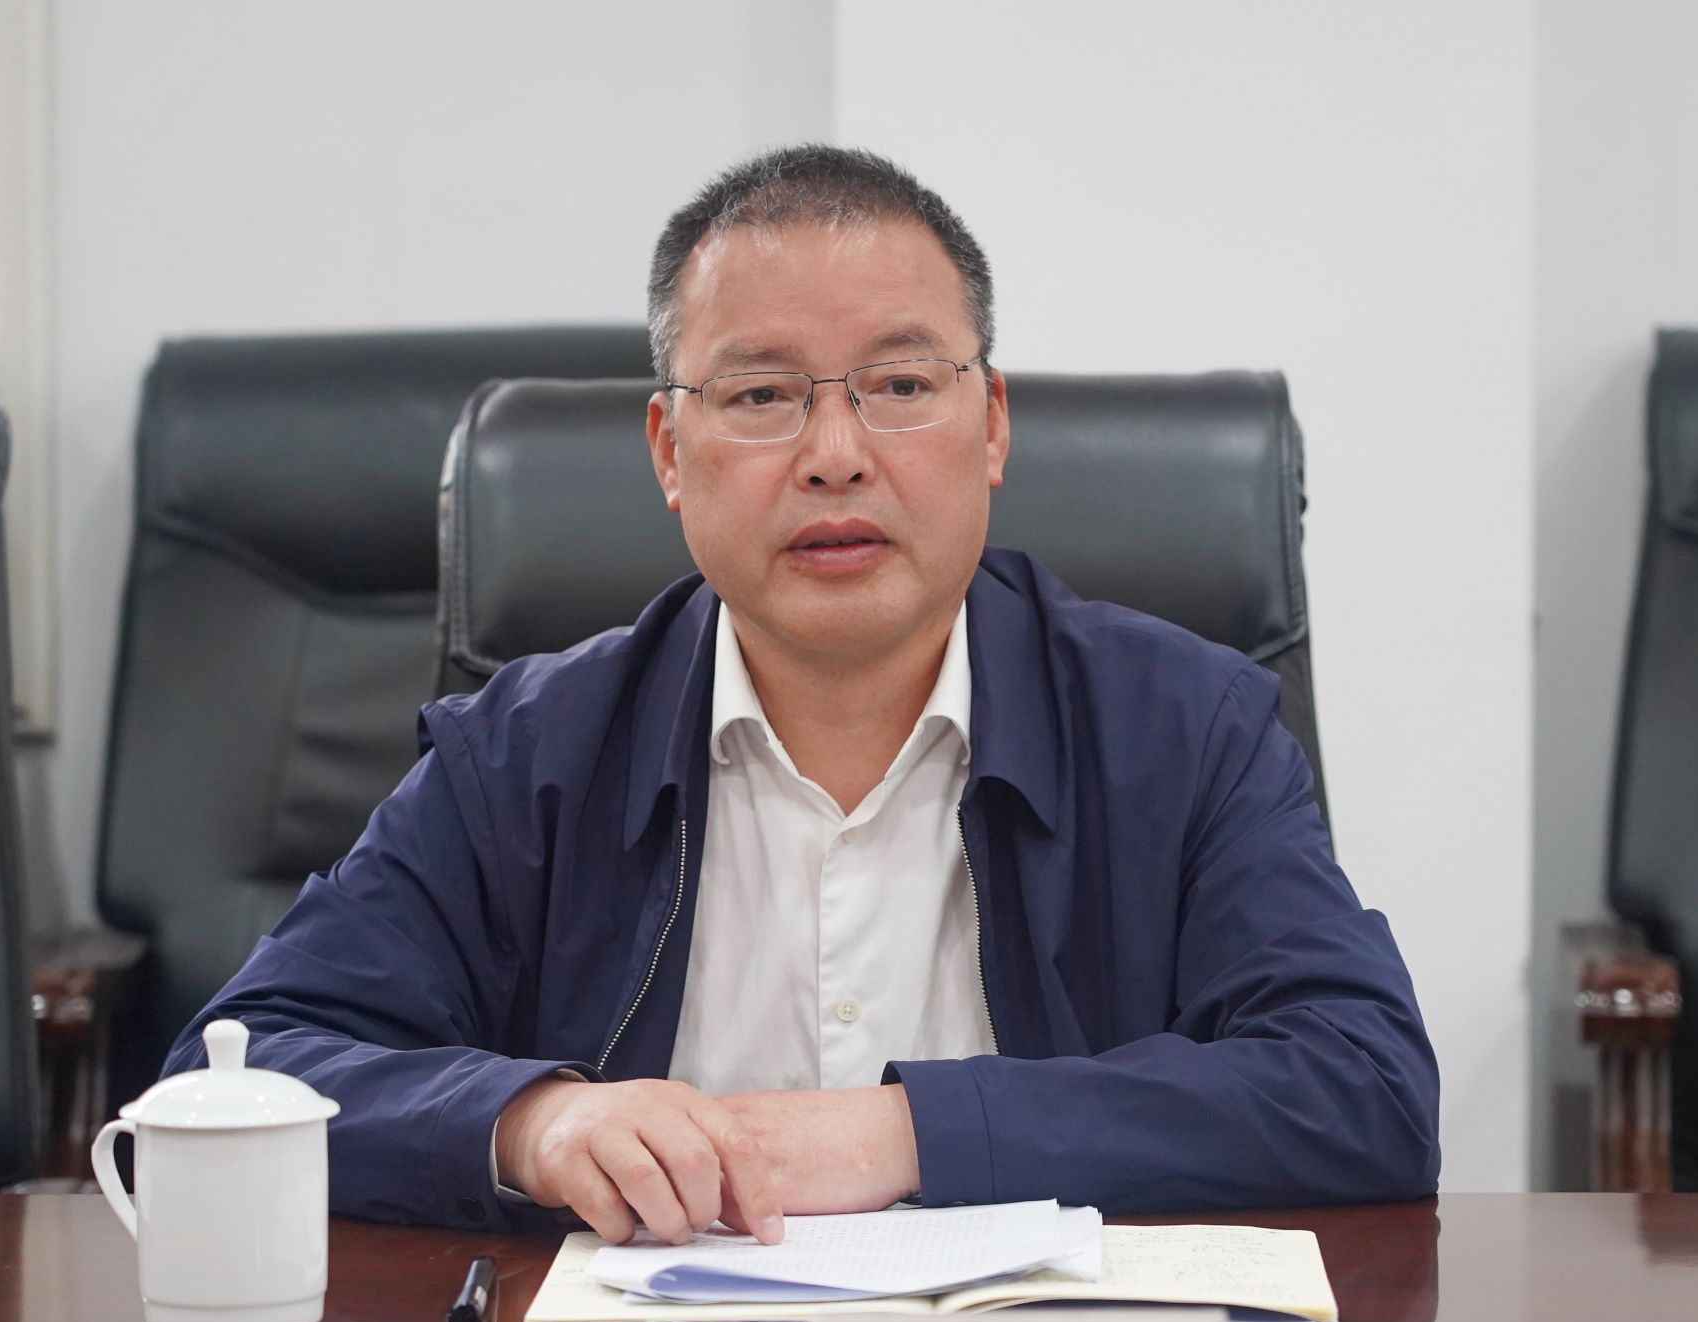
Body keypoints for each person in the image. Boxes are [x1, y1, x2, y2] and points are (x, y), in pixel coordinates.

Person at [164, 144, 1439, 1243]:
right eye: (761, 395)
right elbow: (241, 1064)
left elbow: (1364, 1084)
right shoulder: (524, 755)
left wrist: (906, 1134)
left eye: (900, 387)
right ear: (670, 451)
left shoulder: (1184, 730)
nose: (835, 456)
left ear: (991, 424)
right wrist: (528, 1124)